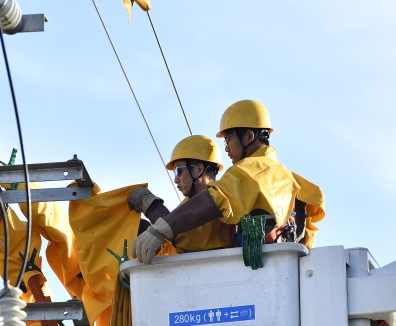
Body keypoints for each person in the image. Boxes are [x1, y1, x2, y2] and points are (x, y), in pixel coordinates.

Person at [132, 100, 324, 263]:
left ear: (249, 136)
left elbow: (215, 200)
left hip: (254, 274)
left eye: (229, 139)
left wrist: (158, 224)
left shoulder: (256, 169)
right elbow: (190, 233)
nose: (226, 149)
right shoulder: (281, 176)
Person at [127, 134, 233, 253]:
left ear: (198, 170)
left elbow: (180, 235)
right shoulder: (188, 205)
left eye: (178, 171)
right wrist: (141, 227)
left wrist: (150, 206)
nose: (176, 179)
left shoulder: (217, 202)